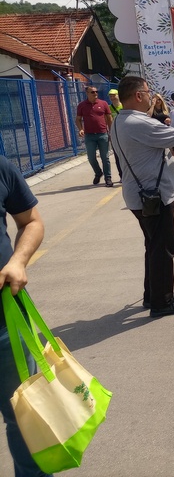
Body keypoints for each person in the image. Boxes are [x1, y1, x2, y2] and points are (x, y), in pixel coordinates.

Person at [111, 76, 174, 316]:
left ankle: (154, 294)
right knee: (163, 247)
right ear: (138, 96)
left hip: (140, 193)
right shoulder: (138, 122)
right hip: (152, 195)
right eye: (148, 92)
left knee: (153, 246)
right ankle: (162, 302)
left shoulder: (120, 120)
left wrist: (167, 147)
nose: (152, 96)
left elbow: (147, 149)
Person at [0, 156, 50, 477]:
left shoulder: (1, 167)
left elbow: (31, 221)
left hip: (6, 321)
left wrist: (18, 260)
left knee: (25, 418)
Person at [75, 84, 113, 187]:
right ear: (87, 93)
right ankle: (98, 172)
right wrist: (81, 129)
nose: (95, 93)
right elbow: (78, 119)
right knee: (91, 157)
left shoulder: (103, 103)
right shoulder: (82, 105)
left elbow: (109, 118)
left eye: (96, 92)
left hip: (102, 134)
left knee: (105, 157)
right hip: (90, 136)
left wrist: (111, 131)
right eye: (92, 92)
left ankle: (108, 178)